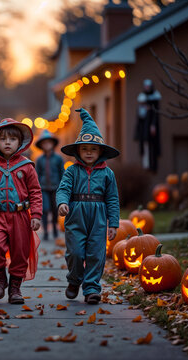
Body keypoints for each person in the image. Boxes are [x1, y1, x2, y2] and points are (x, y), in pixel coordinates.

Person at [0, 118, 42, 304]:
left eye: (12, 139)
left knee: (20, 252)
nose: (7, 143)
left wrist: (36, 215)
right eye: (3, 139)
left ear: (20, 143)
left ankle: (15, 288)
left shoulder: (27, 166)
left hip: (20, 216)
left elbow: (36, 191)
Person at [56, 108, 120, 305]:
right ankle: (74, 279)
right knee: (75, 252)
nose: (89, 152)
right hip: (76, 215)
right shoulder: (72, 171)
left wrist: (113, 223)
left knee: (96, 254)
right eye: (85, 149)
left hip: (99, 217)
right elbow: (63, 189)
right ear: (78, 151)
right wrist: (63, 202)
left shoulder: (108, 174)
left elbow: (112, 199)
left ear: (100, 151)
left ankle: (91, 288)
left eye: (93, 149)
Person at [34, 130, 64, 241]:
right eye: (44, 143)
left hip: (56, 187)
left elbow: (62, 173)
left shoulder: (58, 158)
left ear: (52, 144)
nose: (47, 145)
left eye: (49, 142)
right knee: (45, 209)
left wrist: (62, 187)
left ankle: (55, 230)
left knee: (54, 209)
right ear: (41, 145)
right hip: (43, 188)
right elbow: (37, 174)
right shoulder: (39, 160)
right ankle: (46, 231)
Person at [135, 79, 161, 172]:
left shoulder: (155, 100)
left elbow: (156, 114)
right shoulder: (142, 98)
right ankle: (146, 165)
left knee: (152, 147)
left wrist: (153, 125)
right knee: (145, 148)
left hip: (151, 129)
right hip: (144, 129)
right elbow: (140, 116)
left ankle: (152, 166)